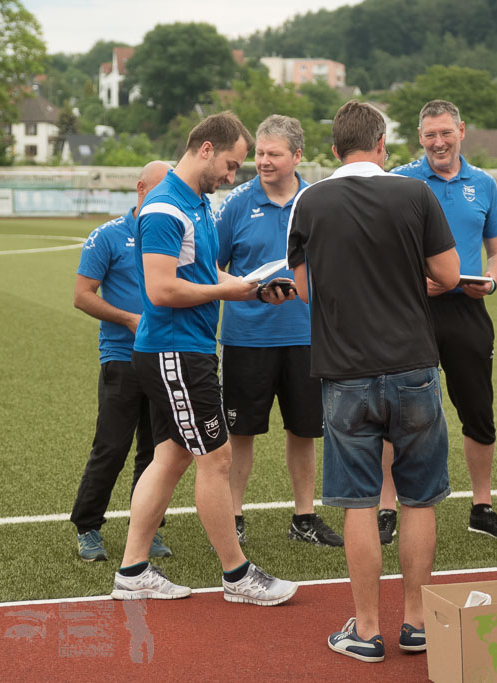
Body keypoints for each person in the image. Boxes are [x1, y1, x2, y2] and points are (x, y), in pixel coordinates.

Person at [286, 101, 459, 663]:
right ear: (382, 144)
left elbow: (305, 290)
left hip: (345, 371)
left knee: (358, 504)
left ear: (334, 148)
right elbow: (449, 274)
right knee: (418, 500)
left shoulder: (309, 201)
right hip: (413, 366)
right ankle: (416, 623)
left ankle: (365, 630)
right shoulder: (416, 193)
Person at [110, 111, 296, 606]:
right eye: (232, 165)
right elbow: (161, 289)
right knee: (217, 458)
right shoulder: (165, 207)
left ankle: (132, 571)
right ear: (207, 150)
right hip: (175, 351)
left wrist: (253, 288)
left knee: (171, 456)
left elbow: (206, 272)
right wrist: (229, 292)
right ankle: (237, 575)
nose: (233, 176)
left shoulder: (198, 204)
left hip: (185, 349)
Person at [384, 99, 497, 543]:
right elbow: (380, 248)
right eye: (430, 135)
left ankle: (482, 507)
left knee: (478, 409)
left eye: (446, 132)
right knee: (396, 411)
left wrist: (491, 281)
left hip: (466, 309)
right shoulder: (399, 180)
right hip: (412, 310)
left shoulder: (483, 183)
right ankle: (387, 508)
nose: (438, 142)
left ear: (462, 131)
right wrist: (414, 279)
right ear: (419, 137)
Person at [215, 114, 342, 548]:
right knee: (241, 433)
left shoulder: (317, 201)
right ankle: (233, 516)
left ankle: (304, 518)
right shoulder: (236, 203)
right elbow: (210, 268)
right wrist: (250, 289)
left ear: (298, 155)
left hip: (306, 337)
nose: (264, 161)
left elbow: (333, 265)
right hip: (246, 338)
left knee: (304, 431)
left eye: (274, 154)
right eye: (260, 153)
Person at [71, 160, 172, 562]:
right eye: (160, 190)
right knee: (111, 446)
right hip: (122, 357)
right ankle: (88, 526)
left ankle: (146, 528)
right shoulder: (108, 235)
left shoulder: (172, 233)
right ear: (141, 188)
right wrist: (130, 319)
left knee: (157, 451)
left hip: (163, 356)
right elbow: (82, 296)